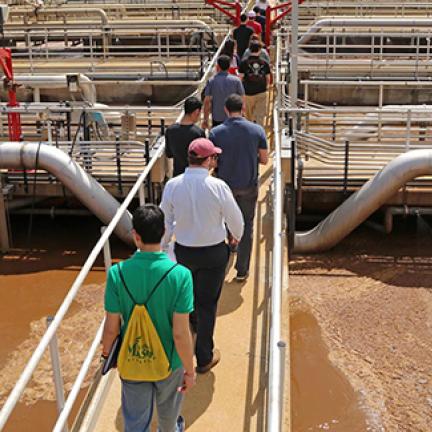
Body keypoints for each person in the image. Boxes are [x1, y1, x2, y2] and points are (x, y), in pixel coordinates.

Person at [102, 204, 195, 432]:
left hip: (134, 360)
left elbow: (112, 327)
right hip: (170, 364)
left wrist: (107, 355)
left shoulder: (117, 273)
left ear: (135, 236)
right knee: (168, 420)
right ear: (164, 231)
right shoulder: (181, 275)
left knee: (135, 423)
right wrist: (189, 370)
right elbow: (181, 333)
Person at [160, 138, 244, 373]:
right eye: (214, 157)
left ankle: (191, 331)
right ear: (208, 160)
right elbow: (235, 218)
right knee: (208, 303)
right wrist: (235, 236)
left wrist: (163, 245)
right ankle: (204, 357)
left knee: (187, 300)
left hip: (184, 252)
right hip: (213, 253)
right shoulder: (218, 186)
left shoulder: (173, 185)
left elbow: (165, 219)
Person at [209, 94, 268, 280]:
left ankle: (232, 244)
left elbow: (213, 163)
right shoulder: (257, 130)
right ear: (243, 108)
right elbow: (265, 159)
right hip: (249, 184)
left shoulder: (216, 133)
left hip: (225, 185)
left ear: (226, 110)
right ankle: (242, 270)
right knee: (247, 224)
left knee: (226, 218)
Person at [165, 96, 205, 177]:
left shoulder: (170, 130)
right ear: (196, 112)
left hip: (178, 175)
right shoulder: (198, 133)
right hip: (195, 176)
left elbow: (169, 154)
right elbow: (203, 157)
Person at [203, 55, 245, 129]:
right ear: (229, 66)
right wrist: (242, 113)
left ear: (218, 66)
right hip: (234, 116)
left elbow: (207, 101)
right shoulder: (236, 80)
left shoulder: (211, 81)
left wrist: (205, 119)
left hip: (217, 117)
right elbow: (242, 98)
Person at [239, 41, 271, 126]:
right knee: (260, 116)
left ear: (249, 49)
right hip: (261, 91)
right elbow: (268, 78)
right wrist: (266, 87)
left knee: (248, 117)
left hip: (247, 92)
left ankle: (249, 134)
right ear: (260, 50)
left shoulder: (243, 63)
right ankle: (259, 134)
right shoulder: (265, 63)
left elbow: (240, 78)